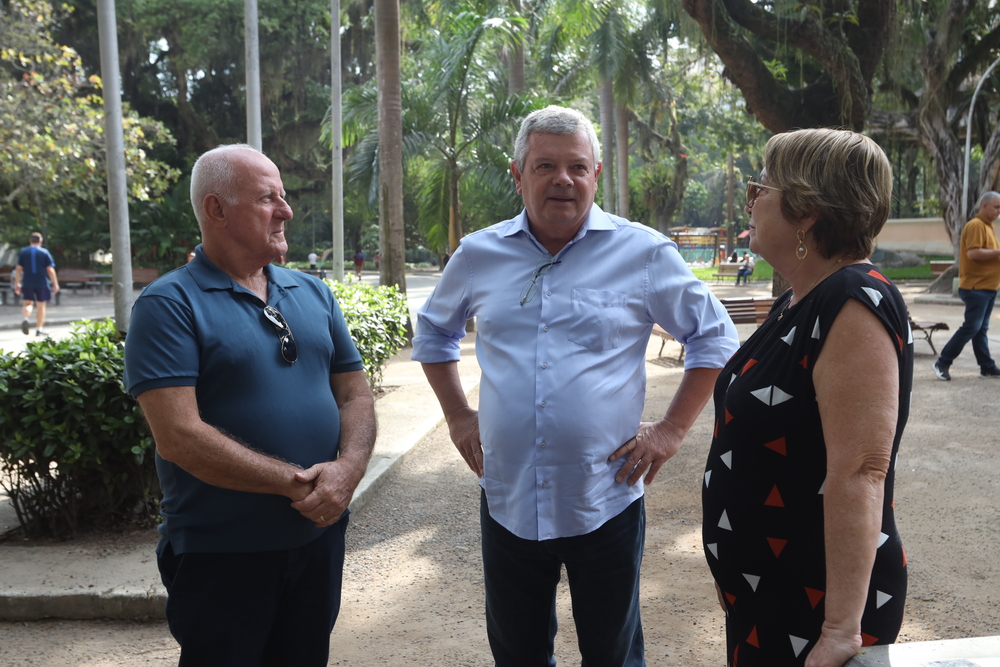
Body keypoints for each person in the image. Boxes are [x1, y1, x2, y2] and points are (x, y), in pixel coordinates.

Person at [412, 105, 739, 666]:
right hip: (510, 497)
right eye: (545, 166)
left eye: (577, 167)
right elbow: (434, 331)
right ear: (518, 174)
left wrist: (671, 431)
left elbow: (713, 336)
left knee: (613, 654)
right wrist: (459, 415)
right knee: (517, 653)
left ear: (596, 174)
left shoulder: (643, 253)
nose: (563, 179)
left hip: (604, 498)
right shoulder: (478, 255)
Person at [123, 144, 376, 666]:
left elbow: (355, 393)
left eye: (283, 197)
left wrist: (349, 470)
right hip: (222, 553)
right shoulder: (168, 305)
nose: (286, 211)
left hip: (317, 540)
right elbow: (179, 436)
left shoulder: (313, 292)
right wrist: (300, 485)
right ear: (216, 209)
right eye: (267, 199)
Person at [703, 128, 912, 667]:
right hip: (768, 595)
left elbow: (861, 470)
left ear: (807, 210)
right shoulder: (802, 299)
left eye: (761, 188)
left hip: (812, 611)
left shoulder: (852, 300)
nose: (750, 202)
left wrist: (841, 628)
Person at [932, 191, 1000, 380]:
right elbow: (973, 253)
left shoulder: (987, 227)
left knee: (980, 329)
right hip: (976, 288)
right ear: (984, 206)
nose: (999, 211)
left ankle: (986, 366)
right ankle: (942, 362)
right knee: (971, 327)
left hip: (988, 288)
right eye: (996, 207)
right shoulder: (976, 225)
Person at [13, 232, 60, 337]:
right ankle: (39, 329)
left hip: (27, 281)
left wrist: (17, 283)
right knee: (41, 305)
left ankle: (26, 318)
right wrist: (55, 283)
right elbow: (50, 269)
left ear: (30, 241)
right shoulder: (44, 252)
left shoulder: (23, 252)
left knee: (28, 303)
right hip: (41, 282)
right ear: (40, 242)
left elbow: (18, 269)